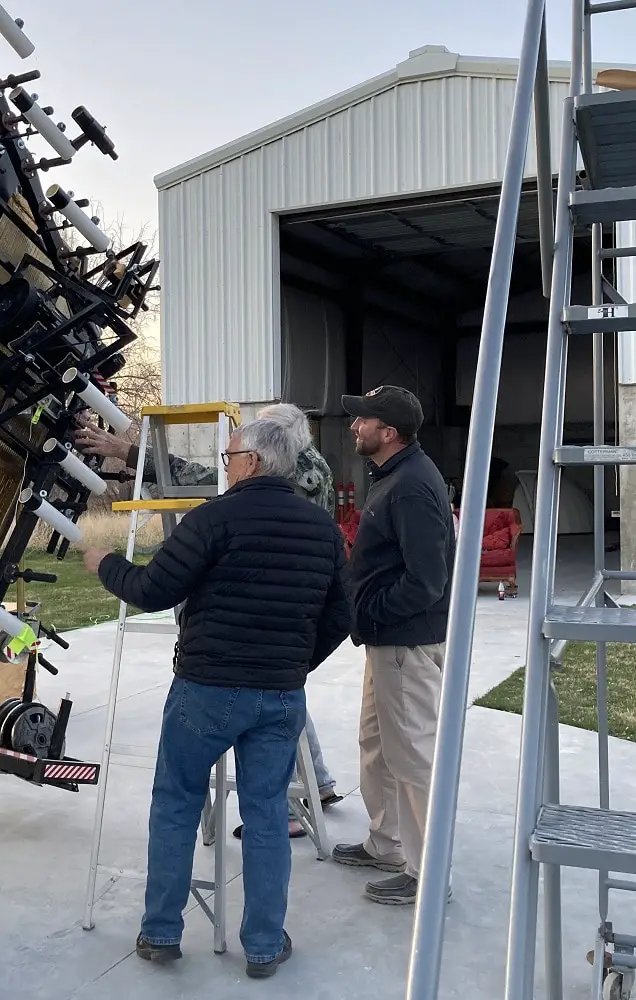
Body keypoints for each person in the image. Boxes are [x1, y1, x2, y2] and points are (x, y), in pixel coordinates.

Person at [80, 417, 351, 978]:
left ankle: (160, 930)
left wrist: (103, 563)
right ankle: (263, 944)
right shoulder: (322, 529)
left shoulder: (214, 519)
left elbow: (152, 590)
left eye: (228, 454)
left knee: (176, 803)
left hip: (206, 690)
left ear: (252, 460)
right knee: (268, 815)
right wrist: (294, 664)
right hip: (279, 698)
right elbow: (339, 616)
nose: (225, 463)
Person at [73, 404, 344, 836]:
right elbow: (339, 611)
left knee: (182, 795)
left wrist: (128, 453)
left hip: (239, 648)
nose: (231, 454)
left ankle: (298, 801)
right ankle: (319, 783)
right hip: (281, 643)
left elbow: (192, 485)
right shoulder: (308, 475)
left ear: (266, 448)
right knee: (279, 707)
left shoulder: (290, 476)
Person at [331, 385, 455, 906]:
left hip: (405, 645)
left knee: (413, 760)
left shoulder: (409, 487)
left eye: (364, 420)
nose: (354, 426)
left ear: (390, 432)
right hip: (385, 646)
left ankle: (427, 875)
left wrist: (372, 611)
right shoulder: (391, 477)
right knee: (377, 748)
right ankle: (386, 844)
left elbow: (428, 580)